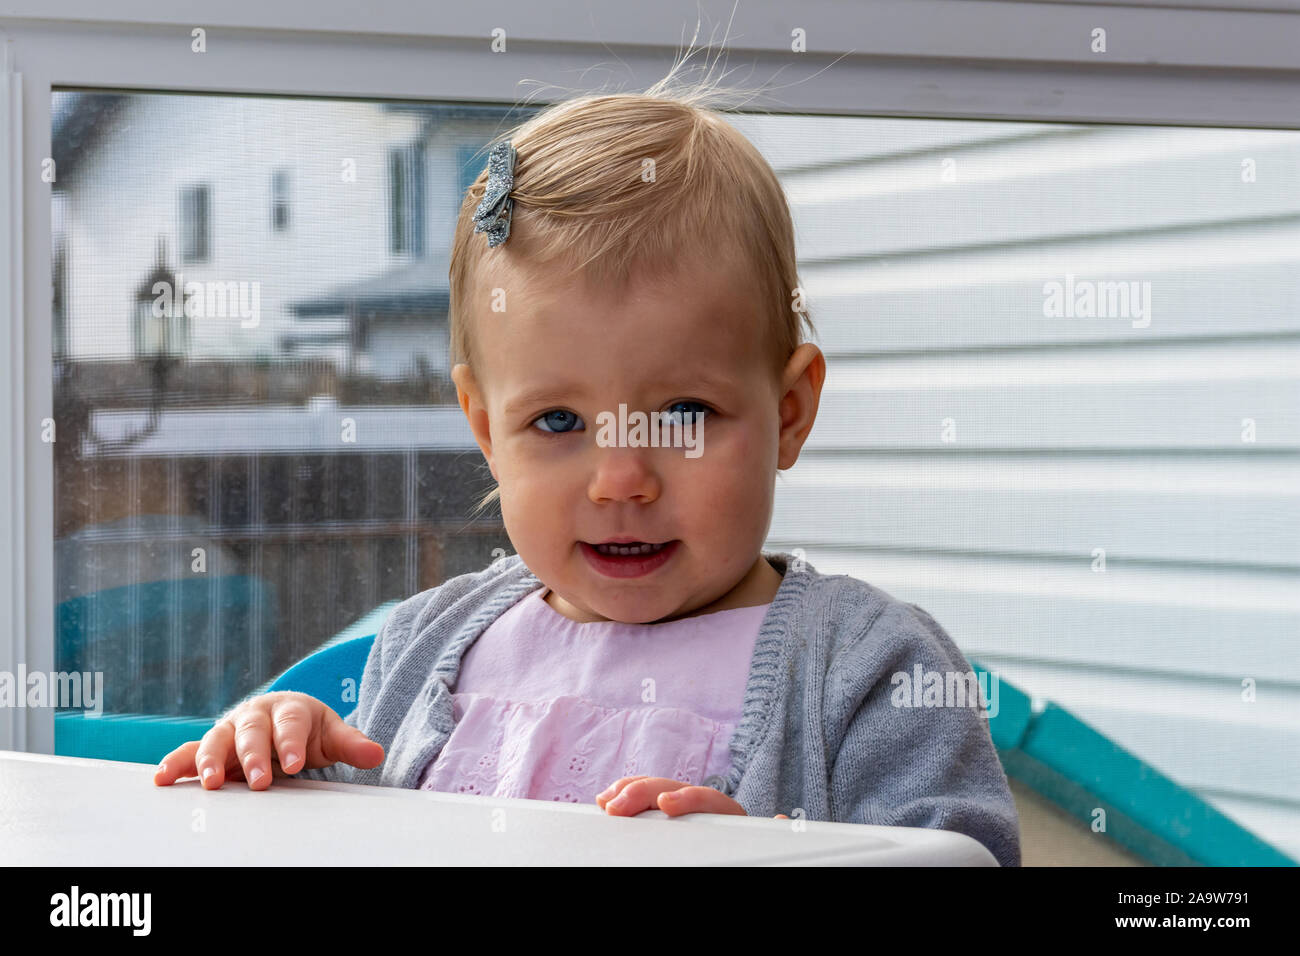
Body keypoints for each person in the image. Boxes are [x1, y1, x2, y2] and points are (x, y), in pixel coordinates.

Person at [154, 61, 1021, 867]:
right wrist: (294, 764)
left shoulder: (869, 668)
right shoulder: (421, 647)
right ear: (486, 428)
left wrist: (783, 852)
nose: (621, 480)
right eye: (559, 420)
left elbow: (962, 857)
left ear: (788, 413)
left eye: (685, 414)